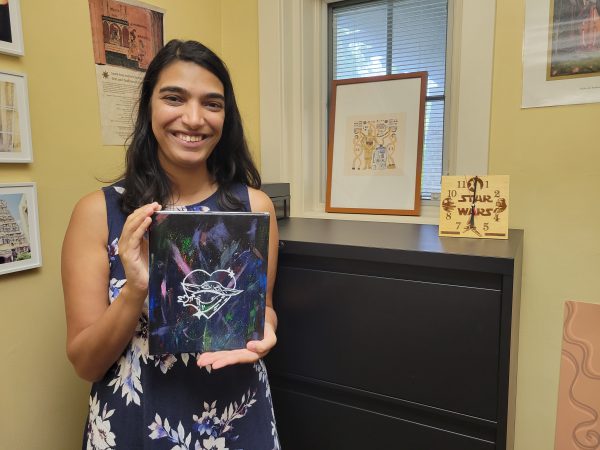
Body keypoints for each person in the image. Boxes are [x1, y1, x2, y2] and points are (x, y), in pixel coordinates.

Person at [62, 39, 280, 450]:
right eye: (174, 98)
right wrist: (135, 289)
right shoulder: (98, 214)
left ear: (225, 116)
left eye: (212, 104)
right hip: (137, 419)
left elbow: (262, 306)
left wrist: (266, 329)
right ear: (149, 107)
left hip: (235, 414)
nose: (194, 118)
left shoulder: (254, 208)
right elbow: (87, 362)